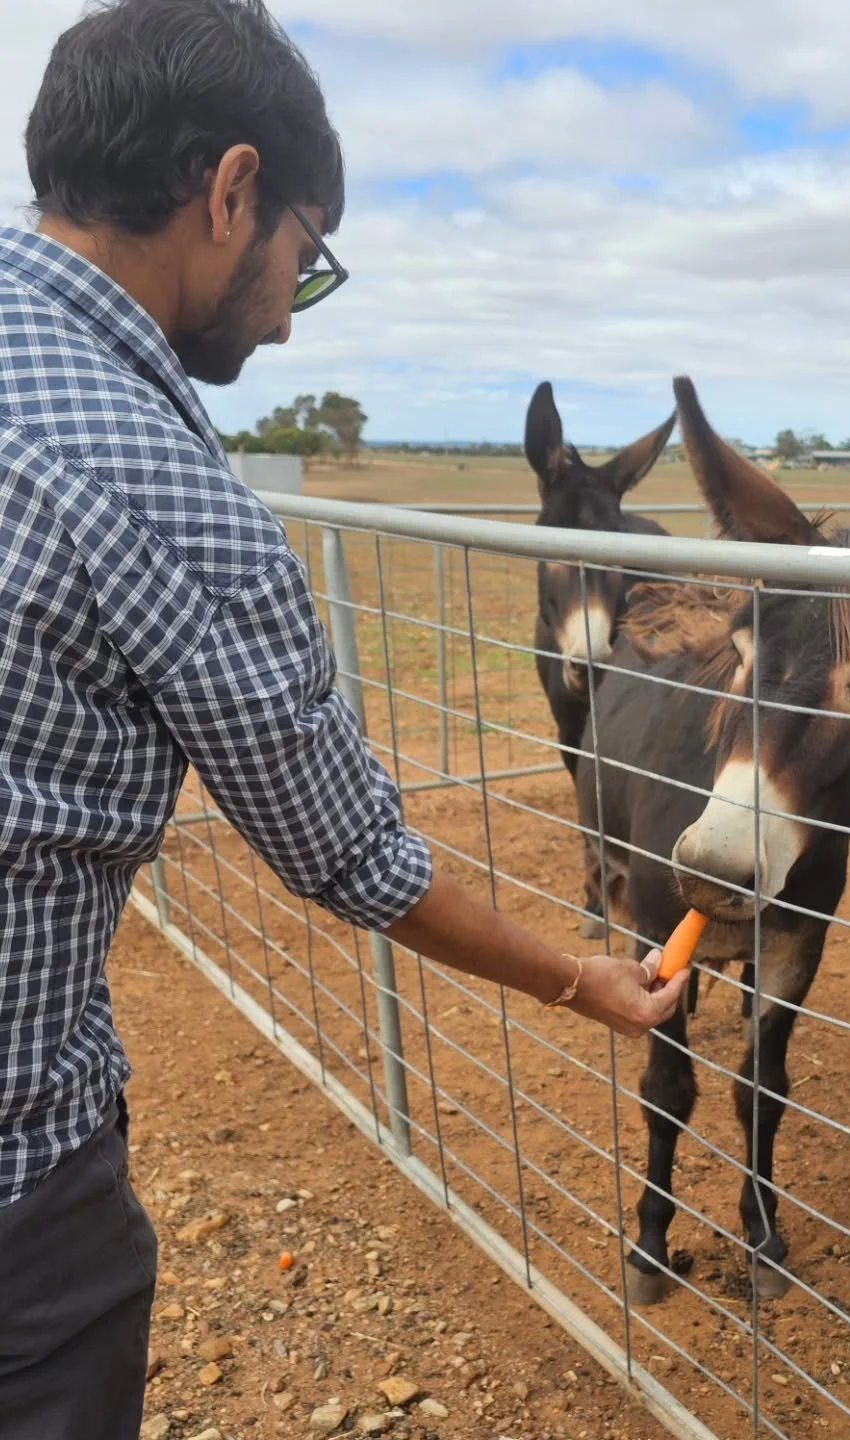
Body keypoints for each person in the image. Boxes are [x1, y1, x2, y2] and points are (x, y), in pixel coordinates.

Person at [0, 2, 690, 1435]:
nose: (288, 303)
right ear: (231, 190)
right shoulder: (168, 495)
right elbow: (357, 857)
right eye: (304, 260)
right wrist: (588, 981)